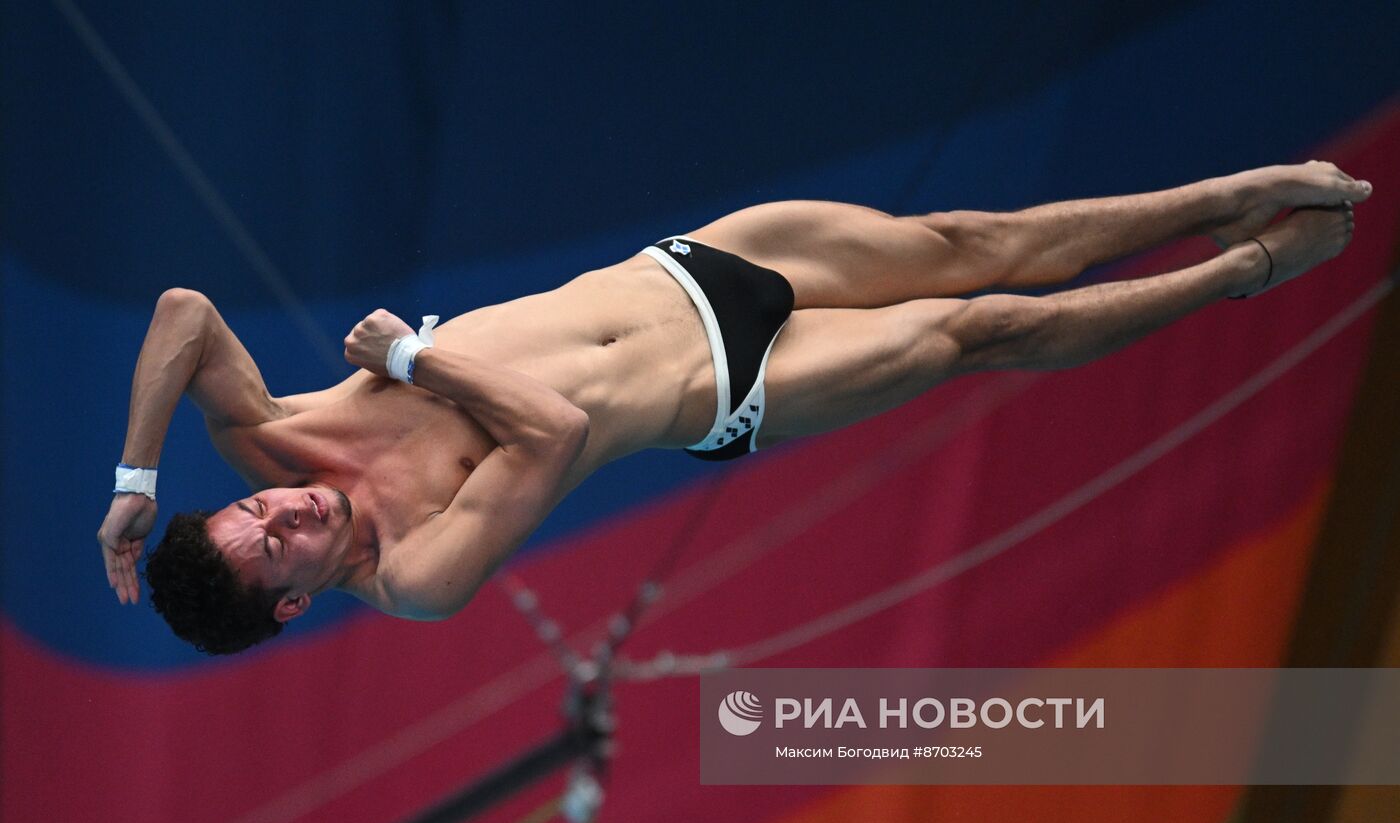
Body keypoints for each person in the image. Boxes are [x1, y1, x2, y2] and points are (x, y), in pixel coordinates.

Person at [97, 161, 1369, 654]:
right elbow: (554, 429)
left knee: (981, 238)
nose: (286, 502)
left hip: (689, 265)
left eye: (255, 505)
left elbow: (180, 314)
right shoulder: (418, 572)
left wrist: (137, 482)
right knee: (988, 329)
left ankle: (1231, 195)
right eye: (279, 538)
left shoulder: (271, 436)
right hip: (734, 384)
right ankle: (1244, 270)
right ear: (295, 597)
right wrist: (419, 361)